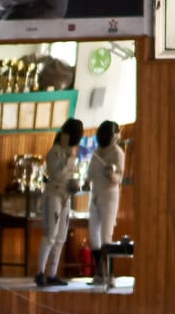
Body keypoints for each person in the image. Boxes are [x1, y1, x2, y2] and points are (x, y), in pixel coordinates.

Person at [36, 117, 84, 288]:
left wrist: (75, 183)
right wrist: (66, 159)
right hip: (54, 194)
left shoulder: (72, 151)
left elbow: (69, 175)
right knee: (51, 234)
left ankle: (52, 273)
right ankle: (40, 272)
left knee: (61, 236)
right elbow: (55, 173)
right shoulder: (55, 151)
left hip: (65, 196)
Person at [86, 120, 125, 284]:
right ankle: (100, 272)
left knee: (106, 235)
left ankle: (110, 275)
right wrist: (86, 182)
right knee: (93, 235)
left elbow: (118, 178)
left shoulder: (117, 153)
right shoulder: (96, 152)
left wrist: (111, 174)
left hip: (109, 197)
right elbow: (90, 175)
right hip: (94, 197)